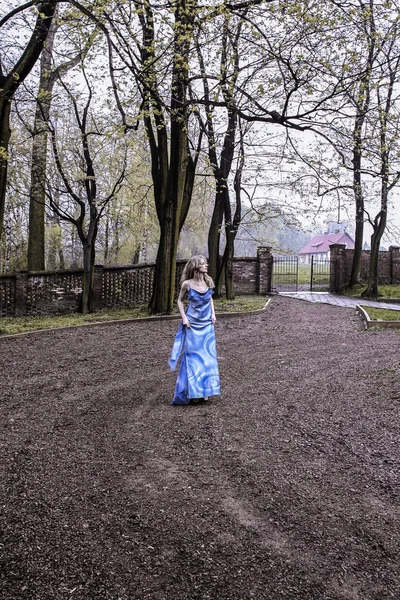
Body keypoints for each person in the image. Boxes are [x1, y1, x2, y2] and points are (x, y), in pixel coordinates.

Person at [168, 255, 221, 405]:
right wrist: (184, 318)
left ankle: (206, 391)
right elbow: (179, 300)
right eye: (203, 264)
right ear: (196, 266)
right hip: (192, 325)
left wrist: (213, 314)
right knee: (192, 358)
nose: (206, 266)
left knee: (207, 359)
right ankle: (193, 392)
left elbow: (210, 297)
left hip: (206, 325)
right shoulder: (187, 284)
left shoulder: (208, 281)